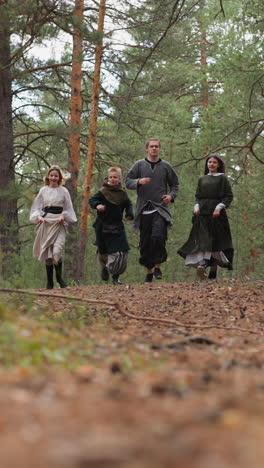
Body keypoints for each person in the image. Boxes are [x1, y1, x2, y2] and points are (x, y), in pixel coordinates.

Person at [125, 138, 179, 283]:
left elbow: (175, 185)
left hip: (160, 209)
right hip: (143, 209)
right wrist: (138, 182)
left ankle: (158, 266)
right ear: (147, 149)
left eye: (156, 147)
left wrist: (171, 196)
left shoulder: (166, 166)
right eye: (151, 146)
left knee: (159, 237)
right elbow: (127, 182)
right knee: (145, 242)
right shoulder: (139, 165)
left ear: (159, 149)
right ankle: (149, 272)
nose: (154, 149)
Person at [177, 153, 233, 280]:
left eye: (214, 162)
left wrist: (219, 207)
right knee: (203, 240)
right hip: (202, 214)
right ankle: (203, 264)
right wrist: (196, 206)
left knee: (215, 242)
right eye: (209, 162)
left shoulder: (222, 178)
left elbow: (228, 195)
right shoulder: (202, 179)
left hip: (216, 215)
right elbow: (198, 196)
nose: (211, 164)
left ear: (218, 165)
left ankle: (212, 270)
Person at [30, 165, 77, 289]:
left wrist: (64, 216)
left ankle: (60, 278)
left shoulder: (64, 191)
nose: (54, 178)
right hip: (46, 223)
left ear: (59, 177)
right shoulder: (43, 190)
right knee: (48, 254)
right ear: (48, 177)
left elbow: (68, 208)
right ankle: (50, 282)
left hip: (59, 223)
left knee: (57, 251)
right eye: (51, 175)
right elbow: (36, 207)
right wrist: (38, 217)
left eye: (56, 176)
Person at [89, 167, 134, 285]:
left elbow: (128, 204)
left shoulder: (122, 193)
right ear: (108, 178)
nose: (113, 179)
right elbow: (92, 200)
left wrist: (129, 213)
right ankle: (104, 267)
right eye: (111, 177)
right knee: (104, 252)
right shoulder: (102, 191)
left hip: (117, 226)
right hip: (102, 226)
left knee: (121, 252)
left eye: (115, 177)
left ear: (119, 179)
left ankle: (115, 277)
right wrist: (97, 205)